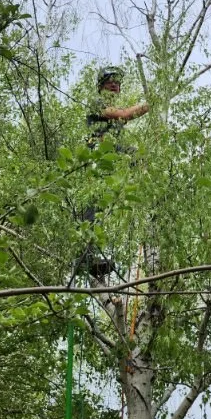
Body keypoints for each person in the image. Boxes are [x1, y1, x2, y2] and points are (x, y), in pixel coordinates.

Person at [82, 65, 149, 277]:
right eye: (110, 80)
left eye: (117, 82)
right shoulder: (97, 103)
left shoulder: (112, 117)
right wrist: (150, 104)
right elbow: (123, 115)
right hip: (97, 156)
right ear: (101, 85)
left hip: (111, 155)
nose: (114, 84)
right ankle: (86, 257)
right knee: (92, 207)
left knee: (138, 157)